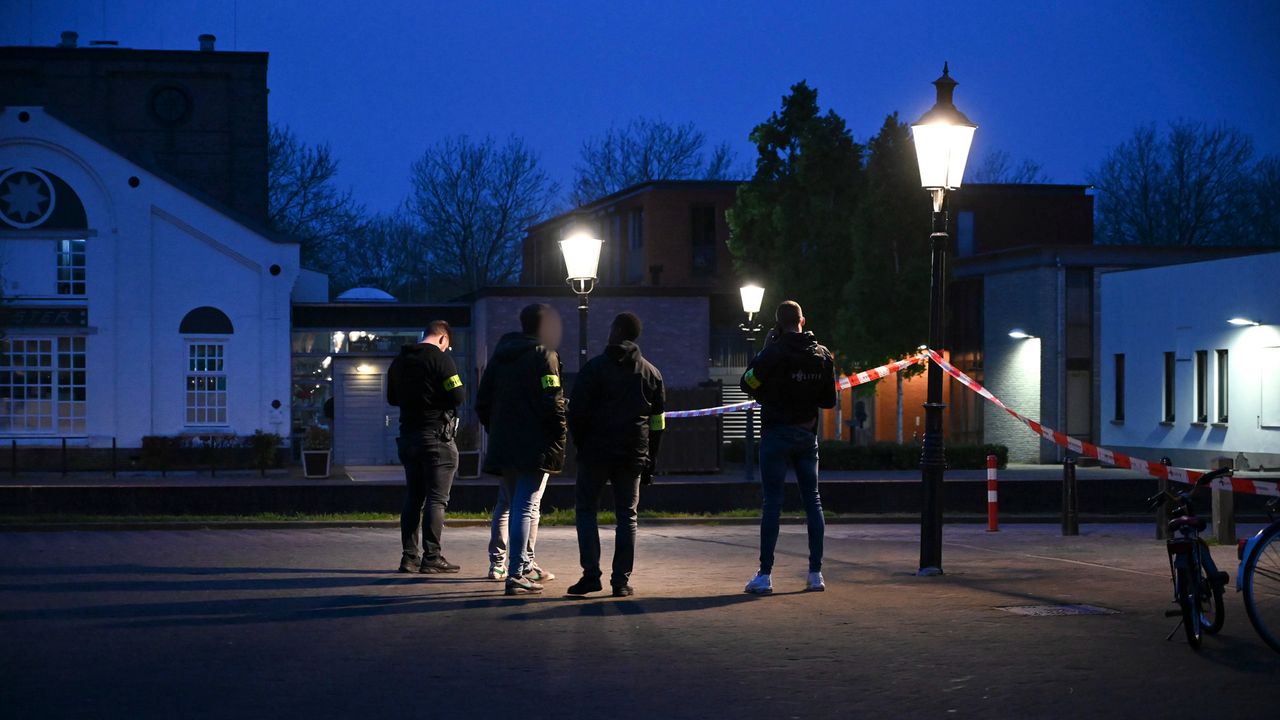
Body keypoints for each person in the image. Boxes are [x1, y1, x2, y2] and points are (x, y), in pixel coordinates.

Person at [739, 300, 836, 594]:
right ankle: (815, 574)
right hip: (806, 437)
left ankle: (765, 575)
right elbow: (828, 401)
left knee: (772, 504)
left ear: (778, 325)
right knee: (813, 502)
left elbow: (747, 383)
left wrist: (764, 351)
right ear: (802, 321)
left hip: (775, 435)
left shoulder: (773, 354)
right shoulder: (822, 356)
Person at [566, 312, 665, 598]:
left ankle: (591, 575)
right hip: (633, 454)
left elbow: (577, 414)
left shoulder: (593, 369)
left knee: (586, 510)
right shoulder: (651, 373)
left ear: (617, 330)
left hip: (595, 453)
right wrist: (651, 458)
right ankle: (620, 581)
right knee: (627, 516)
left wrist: (581, 444)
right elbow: (658, 421)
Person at [475, 303, 568, 595]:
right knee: (526, 507)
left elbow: (482, 402)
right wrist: (560, 432)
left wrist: (498, 430)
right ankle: (517, 572)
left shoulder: (500, 356)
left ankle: (520, 565)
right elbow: (552, 400)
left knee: (512, 504)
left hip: (505, 443)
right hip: (534, 444)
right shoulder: (546, 356)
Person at [387, 319, 465, 574]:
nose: (446, 350)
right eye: (447, 346)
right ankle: (432, 557)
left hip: (407, 437)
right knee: (436, 499)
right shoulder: (440, 359)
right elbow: (458, 396)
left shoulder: (399, 361)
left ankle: (409, 557)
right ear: (442, 338)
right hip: (435, 437)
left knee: (413, 497)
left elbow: (391, 398)